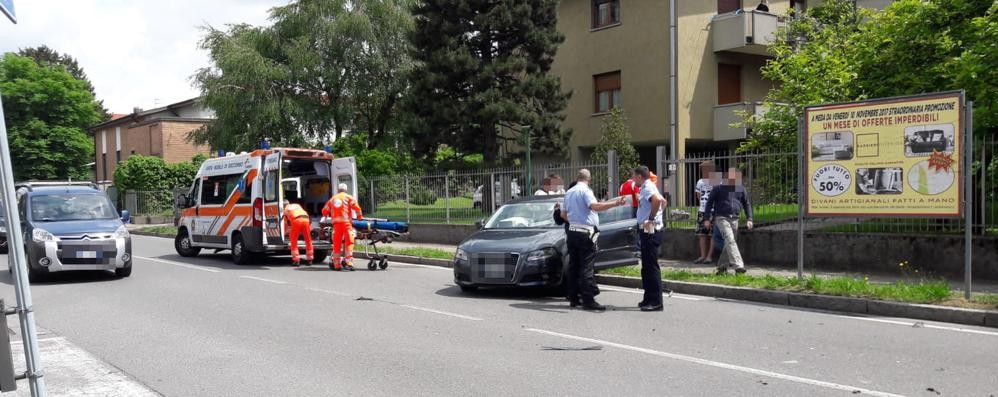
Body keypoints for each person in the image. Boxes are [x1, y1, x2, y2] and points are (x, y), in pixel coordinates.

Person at [563, 169, 627, 311]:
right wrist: (615, 204)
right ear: (589, 179)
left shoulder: (569, 192)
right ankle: (588, 300)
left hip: (572, 231)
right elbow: (595, 206)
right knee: (587, 266)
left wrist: (575, 221)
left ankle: (573, 298)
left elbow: (563, 214)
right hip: (585, 233)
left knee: (574, 266)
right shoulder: (586, 191)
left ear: (577, 177)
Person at [703, 168, 753, 275]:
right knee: (730, 240)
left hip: (735, 218)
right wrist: (706, 218)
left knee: (729, 244)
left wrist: (750, 219)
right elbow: (709, 203)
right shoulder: (718, 189)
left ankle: (721, 268)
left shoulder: (740, 189)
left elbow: (746, 204)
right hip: (722, 218)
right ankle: (739, 266)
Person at [632, 166, 666, 312]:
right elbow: (663, 202)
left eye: (633, 176)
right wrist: (657, 215)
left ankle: (656, 302)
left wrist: (651, 218)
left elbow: (658, 200)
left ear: (639, 176)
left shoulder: (647, 187)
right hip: (648, 229)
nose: (633, 179)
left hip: (650, 230)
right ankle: (648, 298)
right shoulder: (648, 187)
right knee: (646, 266)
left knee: (651, 266)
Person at [322, 183, 364, 271]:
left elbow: (324, 210)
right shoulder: (348, 197)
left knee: (337, 244)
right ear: (346, 190)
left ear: (338, 190)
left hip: (336, 225)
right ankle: (348, 263)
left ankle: (337, 264)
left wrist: (326, 215)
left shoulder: (333, 199)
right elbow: (357, 208)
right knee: (349, 242)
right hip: (346, 224)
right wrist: (360, 217)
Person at [694, 161, 716, 264]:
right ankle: (702, 255)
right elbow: (698, 195)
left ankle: (709, 256)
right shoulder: (700, 182)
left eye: (705, 169)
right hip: (702, 210)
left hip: (713, 211)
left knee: (712, 234)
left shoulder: (716, 180)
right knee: (701, 234)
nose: (703, 171)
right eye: (702, 169)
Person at [283, 196, 314, 266]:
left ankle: (296, 260)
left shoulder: (286, 209)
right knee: (308, 239)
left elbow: (287, 224)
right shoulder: (297, 205)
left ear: (283, 205)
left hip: (296, 220)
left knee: (293, 240)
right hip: (306, 219)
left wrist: (286, 234)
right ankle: (310, 259)